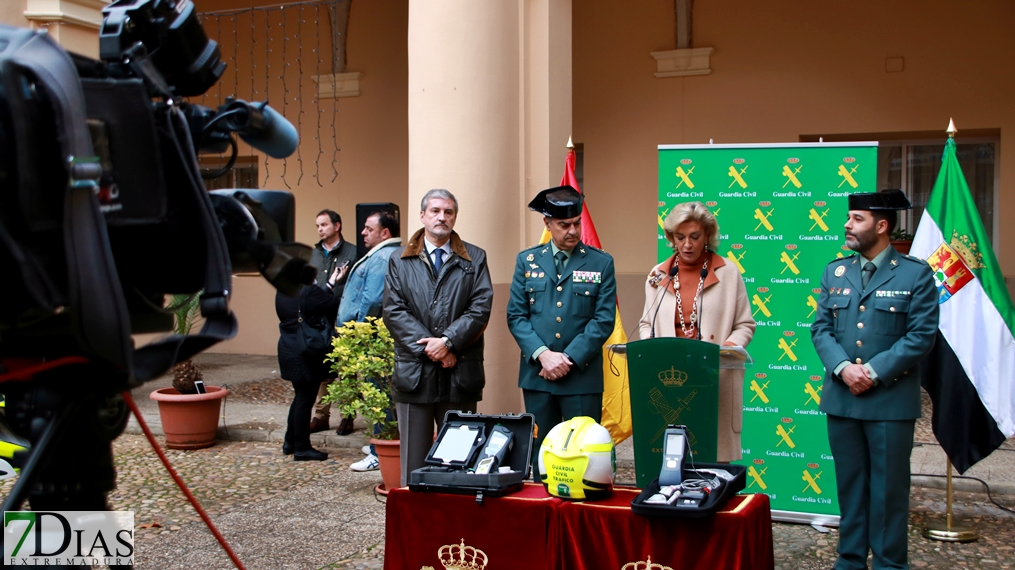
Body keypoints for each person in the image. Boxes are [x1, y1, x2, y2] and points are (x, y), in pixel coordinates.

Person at [811, 189, 939, 570]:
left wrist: (872, 371)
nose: (848, 225)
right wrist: (843, 368)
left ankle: (888, 564)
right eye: (849, 218)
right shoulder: (835, 271)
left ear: (882, 226)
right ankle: (849, 561)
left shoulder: (915, 274)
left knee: (888, 494)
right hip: (842, 399)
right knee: (850, 489)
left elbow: (921, 336)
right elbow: (820, 329)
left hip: (889, 402)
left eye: (857, 219)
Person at [382, 189, 493, 486]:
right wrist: (433, 349)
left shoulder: (475, 258)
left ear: (455, 217)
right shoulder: (399, 260)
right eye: (435, 211)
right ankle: (416, 529)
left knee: (458, 464)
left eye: (448, 212)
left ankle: (457, 529)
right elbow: (394, 311)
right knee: (412, 469)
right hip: (414, 375)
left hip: (459, 375)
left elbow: (480, 308)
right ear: (422, 216)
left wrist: (449, 342)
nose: (442, 217)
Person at [637, 201, 755, 462]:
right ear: (671, 238)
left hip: (715, 377)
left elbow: (745, 324)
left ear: (708, 236)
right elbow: (646, 324)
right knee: (671, 461)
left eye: (694, 237)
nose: (687, 244)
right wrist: (652, 349)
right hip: (669, 379)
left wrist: (725, 350)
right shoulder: (658, 275)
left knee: (713, 461)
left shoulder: (729, 273)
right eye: (680, 237)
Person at [506, 185, 617, 463]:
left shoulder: (600, 262)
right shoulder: (527, 261)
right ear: (547, 223)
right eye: (564, 224)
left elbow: (603, 320)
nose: (573, 231)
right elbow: (516, 316)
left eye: (577, 223)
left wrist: (566, 359)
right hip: (538, 376)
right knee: (542, 454)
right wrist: (543, 355)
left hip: (581, 376)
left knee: (583, 453)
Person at [339, 211, 402, 472]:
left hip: (373, 338)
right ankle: (381, 443)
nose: (363, 233)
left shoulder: (383, 256)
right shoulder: (386, 253)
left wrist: (358, 329)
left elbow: (374, 298)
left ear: (384, 233)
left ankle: (381, 449)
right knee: (380, 392)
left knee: (378, 393)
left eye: (368, 229)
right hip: (376, 337)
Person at [275, 269, 344, 461]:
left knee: (300, 397)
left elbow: (310, 303)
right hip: (306, 350)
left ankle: (290, 442)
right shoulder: (309, 291)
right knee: (305, 399)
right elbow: (333, 305)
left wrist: (329, 284)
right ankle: (302, 448)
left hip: (288, 347)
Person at [308, 209, 359, 435]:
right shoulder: (314, 254)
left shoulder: (354, 252)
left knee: (347, 370)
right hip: (321, 321)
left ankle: (348, 416)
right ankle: (321, 416)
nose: (320, 229)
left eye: (324, 225)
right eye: (318, 226)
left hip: (344, 319)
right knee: (324, 371)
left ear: (337, 226)